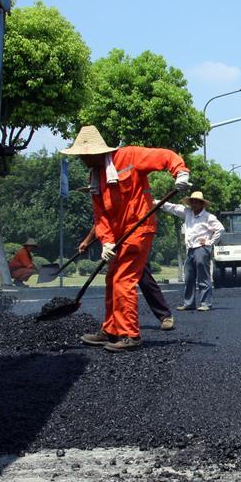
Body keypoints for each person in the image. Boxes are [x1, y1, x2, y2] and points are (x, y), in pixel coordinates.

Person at [60, 125, 190, 352]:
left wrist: (180, 172)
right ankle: (110, 330)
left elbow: (165, 156)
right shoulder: (96, 177)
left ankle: (130, 335)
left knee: (123, 280)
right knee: (112, 279)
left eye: (83, 155)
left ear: (95, 152)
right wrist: (107, 241)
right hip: (119, 235)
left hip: (139, 229)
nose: (81, 159)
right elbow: (100, 215)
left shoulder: (129, 156)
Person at [77, 226, 175, 331]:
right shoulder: (105, 212)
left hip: (134, 239)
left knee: (144, 278)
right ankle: (114, 322)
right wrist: (87, 241)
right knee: (114, 281)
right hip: (116, 243)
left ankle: (165, 316)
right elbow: (101, 223)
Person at [158, 191, 223, 312]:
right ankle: (189, 303)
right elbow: (172, 207)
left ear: (201, 204)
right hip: (191, 249)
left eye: (196, 202)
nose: (193, 204)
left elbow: (220, 229)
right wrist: (156, 203)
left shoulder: (208, 217)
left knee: (203, 276)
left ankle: (205, 303)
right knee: (188, 276)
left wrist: (209, 242)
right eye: (192, 202)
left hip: (201, 249)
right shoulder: (187, 213)